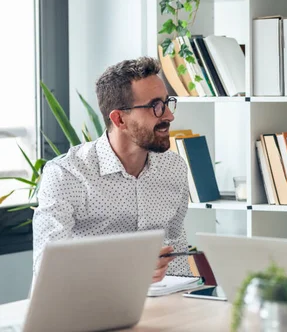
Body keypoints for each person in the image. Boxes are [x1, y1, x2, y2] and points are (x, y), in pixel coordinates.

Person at [33, 57, 191, 282]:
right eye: (155, 106)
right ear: (119, 119)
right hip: (89, 307)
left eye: (167, 102)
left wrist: (185, 296)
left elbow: (175, 244)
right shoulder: (67, 175)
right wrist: (129, 267)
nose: (169, 115)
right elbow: (47, 268)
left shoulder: (173, 168)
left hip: (162, 303)